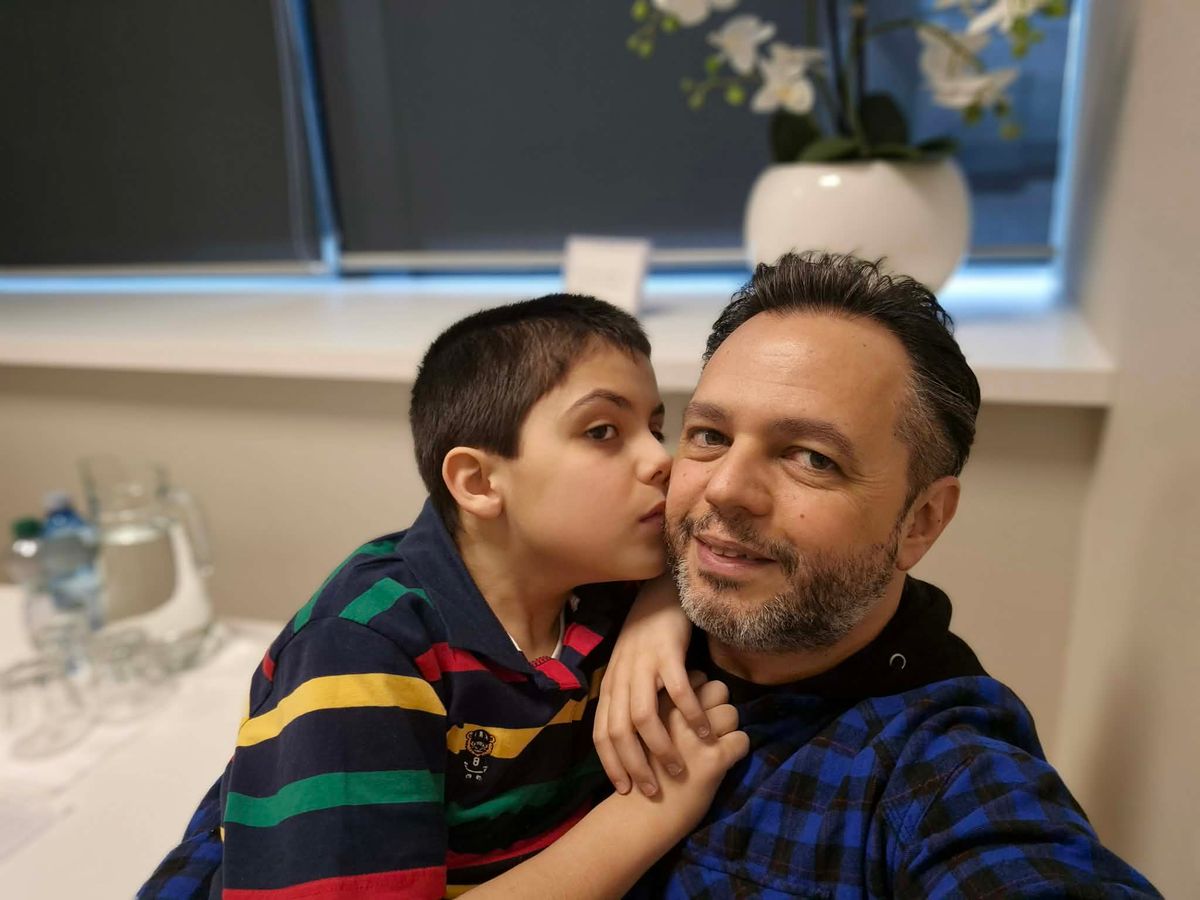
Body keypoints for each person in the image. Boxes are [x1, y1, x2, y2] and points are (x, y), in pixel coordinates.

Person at [138, 294, 748, 899]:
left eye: (656, 429)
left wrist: (658, 615)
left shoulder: (603, 583)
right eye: (603, 432)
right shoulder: (362, 648)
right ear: (478, 482)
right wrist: (649, 812)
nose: (661, 460)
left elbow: (695, 550)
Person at [594, 252, 1161, 897]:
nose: (724, 489)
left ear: (920, 521)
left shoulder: (941, 770)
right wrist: (654, 603)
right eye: (709, 435)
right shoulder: (577, 616)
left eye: (812, 458)